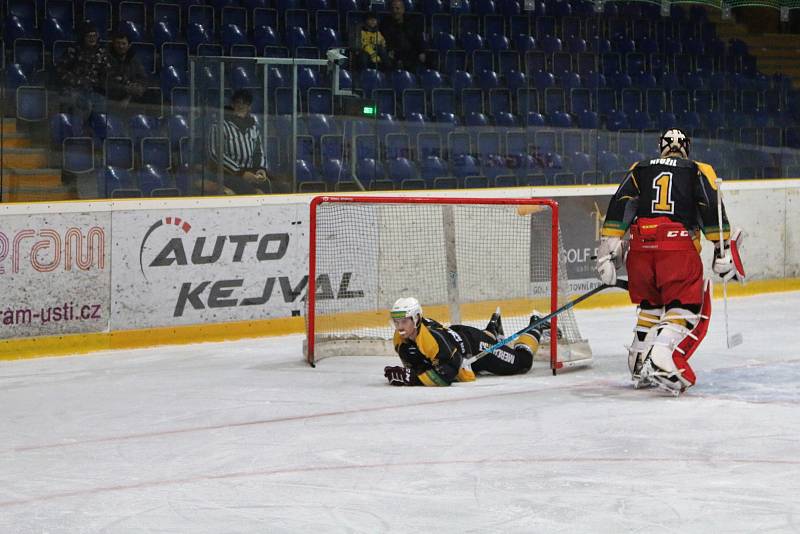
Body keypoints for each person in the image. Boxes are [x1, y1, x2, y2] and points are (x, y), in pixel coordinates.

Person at [595, 129, 745, 394]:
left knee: (651, 304)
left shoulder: (640, 167)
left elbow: (621, 203)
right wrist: (722, 248)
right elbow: (709, 204)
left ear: (661, 147)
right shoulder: (697, 169)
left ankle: (638, 363)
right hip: (677, 247)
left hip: (640, 248)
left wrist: (608, 251)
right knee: (685, 305)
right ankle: (662, 355)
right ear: (686, 148)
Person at [383, 297, 552, 386]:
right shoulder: (400, 339)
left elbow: (448, 373)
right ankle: (493, 328)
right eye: (396, 322)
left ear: (416, 318)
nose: (399, 327)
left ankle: (536, 325)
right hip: (460, 346)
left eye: (404, 321)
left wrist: (412, 379)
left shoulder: (431, 339)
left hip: (476, 345)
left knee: (521, 363)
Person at [207, 89, 271, 195]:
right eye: (238, 102)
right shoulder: (219, 126)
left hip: (251, 173)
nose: (241, 106)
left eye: (245, 103)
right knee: (251, 191)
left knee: (272, 186)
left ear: (249, 107)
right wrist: (240, 172)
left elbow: (258, 152)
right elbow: (216, 153)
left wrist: (260, 169)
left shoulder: (253, 127)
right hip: (227, 174)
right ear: (232, 105)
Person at [56, 20, 111, 123]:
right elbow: (61, 71)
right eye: (89, 36)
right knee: (73, 101)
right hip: (74, 89)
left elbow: (107, 72)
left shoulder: (101, 52)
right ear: (83, 37)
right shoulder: (73, 50)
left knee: (101, 103)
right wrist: (77, 81)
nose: (92, 39)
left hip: (94, 90)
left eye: (94, 36)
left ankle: (95, 131)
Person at [105, 29, 148, 120]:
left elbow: (143, 80)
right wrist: (126, 89)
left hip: (131, 99)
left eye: (123, 43)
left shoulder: (134, 61)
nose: (120, 46)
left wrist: (129, 97)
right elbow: (107, 83)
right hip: (110, 99)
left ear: (129, 45)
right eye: (118, 43)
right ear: (113, 44)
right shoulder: (106, 59)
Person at [379, 0, 426, 73]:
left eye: (397, 8)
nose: (395, 11)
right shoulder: (384, 24)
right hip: (392, 55)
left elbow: (419, 39)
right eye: (392, 8)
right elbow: (382, 40)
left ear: (403, 9)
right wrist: (388, 50)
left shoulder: (412, 23)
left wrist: (422, 52)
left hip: (410, 55)